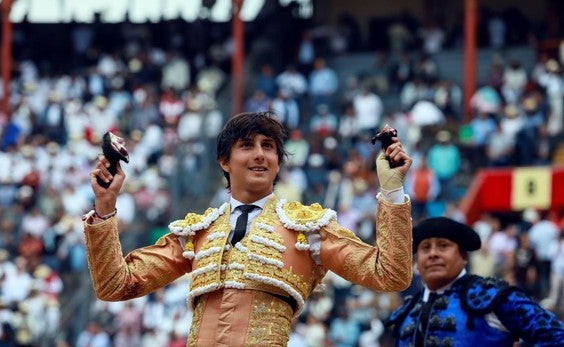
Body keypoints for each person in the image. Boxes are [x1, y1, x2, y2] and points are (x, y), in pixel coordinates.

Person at [84, 111, 414, 346]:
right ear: (224, 162)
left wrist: (392, 192)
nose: (260, 155)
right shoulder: (198, 231)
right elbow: (115, 286)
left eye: (268, 146)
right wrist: (104, 207)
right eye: (247, 146)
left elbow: (390, 274)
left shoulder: (307, 227)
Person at [385, 217, 564, 346]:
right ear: (417, 259)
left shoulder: (493, 297)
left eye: (443, 245)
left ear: (463, 256)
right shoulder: (406, 312)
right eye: (425, 248)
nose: (433, 254)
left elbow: (557, 336)